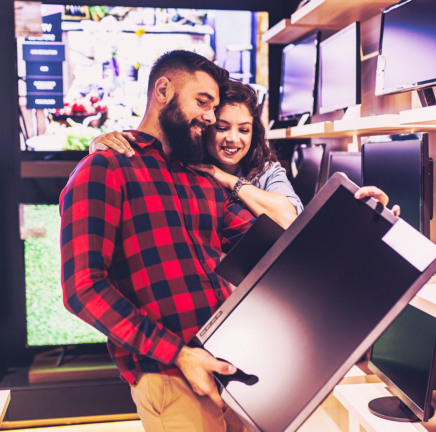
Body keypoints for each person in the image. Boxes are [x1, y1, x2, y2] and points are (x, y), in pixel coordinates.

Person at [60, 50, 400, 432]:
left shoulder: (200, 179)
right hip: (171, 373)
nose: (209, 117)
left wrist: (357, 221)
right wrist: (180, 355)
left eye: (214, 107)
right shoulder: (106, 167)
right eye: (202, 102)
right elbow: (83, 288)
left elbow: (282, 246)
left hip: (235, 368)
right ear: (163, 90)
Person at [90, 80, 302, 229]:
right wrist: (99, 144)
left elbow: (289, 219)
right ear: (206, 126)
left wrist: (226, 178)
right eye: (222, 127)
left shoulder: (265, 169)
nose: (233, 139)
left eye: (244, 130)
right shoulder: (186, 162)